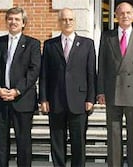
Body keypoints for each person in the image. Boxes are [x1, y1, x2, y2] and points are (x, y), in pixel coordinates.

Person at [97, 2, 133, 166]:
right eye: (121, 13)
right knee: (114, 136)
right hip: (112, 91)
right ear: (116, 16)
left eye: (128, 13)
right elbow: (102, 65)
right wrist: (100, 91)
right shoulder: (107, 37)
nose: (125, 16)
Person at [0, 7, 41, 167]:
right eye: (10, 19)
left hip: (22, 101)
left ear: (23, 23)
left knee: (23, 144)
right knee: (1, 144)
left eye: (17, 19)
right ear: (6, 21)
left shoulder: (33, 44)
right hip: (0, 100)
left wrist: (17, 91)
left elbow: (34, 70)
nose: (13, 22)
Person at [39, 8, 96, 167]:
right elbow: (44, 74)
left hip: (79, 101)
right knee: (57, 141)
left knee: (79, 143)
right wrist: (43, 98)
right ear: (59, 22)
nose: (67, 22)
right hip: (55, 100)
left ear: (75, 21)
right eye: (64, 19)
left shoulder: (87, 44)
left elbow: (91, 73)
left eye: (70, 19)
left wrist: (91, 98)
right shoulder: (50, 45)